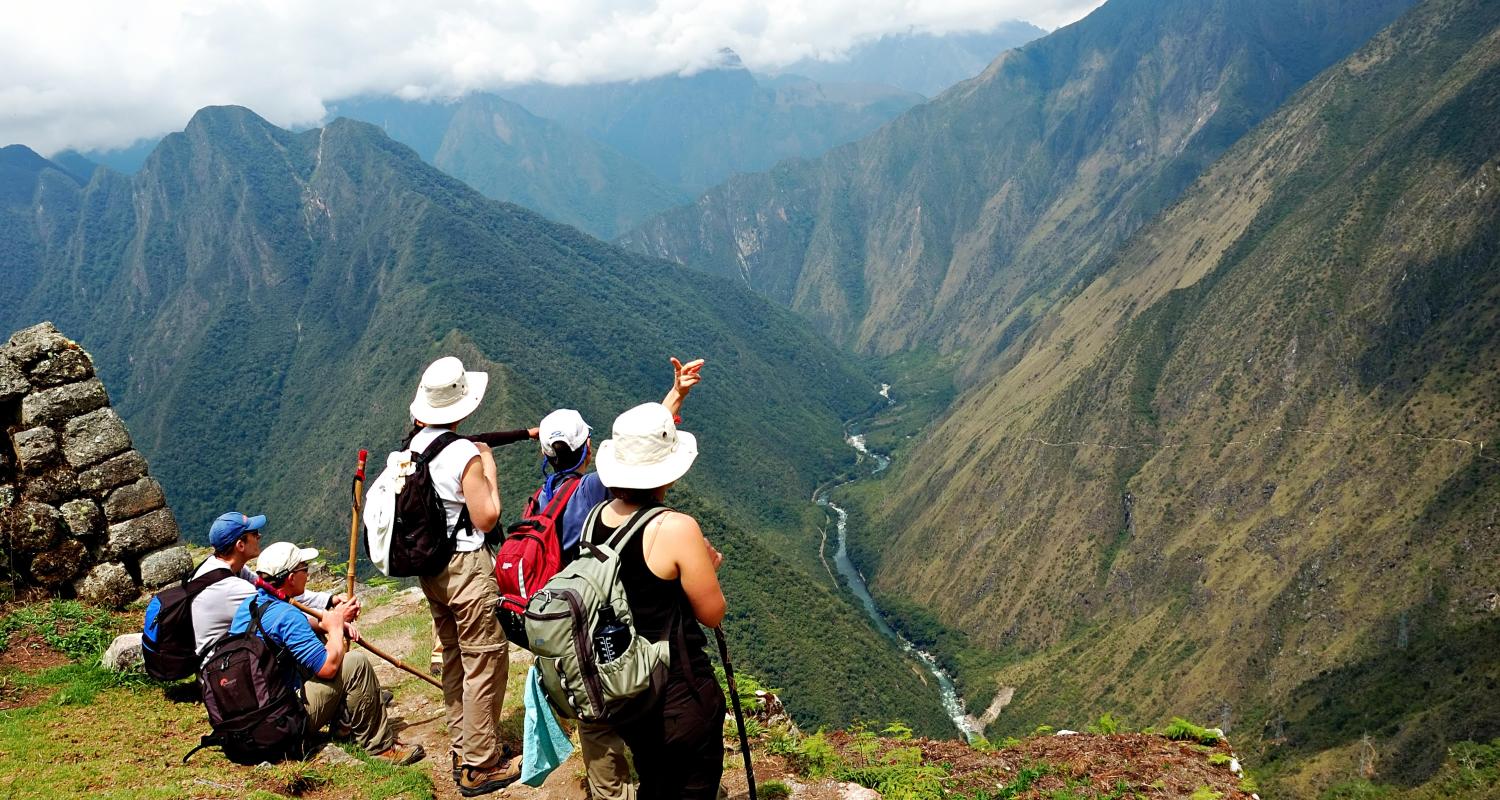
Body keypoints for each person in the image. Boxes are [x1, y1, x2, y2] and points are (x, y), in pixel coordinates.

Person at [530, 358, 703, 800]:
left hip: (568, 624)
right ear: (586, 452)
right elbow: (641, 467)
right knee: (616, 711)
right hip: (608, 624)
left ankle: (609, 791)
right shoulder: (591, 492)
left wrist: (674, 398)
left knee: (596, 722)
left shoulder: (544, 495)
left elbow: (637, 456)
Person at [588, 401, 728, 799]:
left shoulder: (594, 518)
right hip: (678, 693)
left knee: (653, 780)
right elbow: (712, 614)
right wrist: (708, 568)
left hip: (626, 694)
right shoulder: (675, 527)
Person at [405, 356, 516, 795]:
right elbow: (487, 517)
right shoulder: (464, 453)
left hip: (431, 570)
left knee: (454, 656)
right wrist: (488, 467)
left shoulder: (411, 448)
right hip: (466, 567)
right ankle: (480, 764)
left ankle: (463, 745)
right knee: (485, 660)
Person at [225, 541, 424, 765]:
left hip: (253, 720)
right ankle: (380, 749)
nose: (307, 574)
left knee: (318, 640)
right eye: (304, 569)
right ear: (290, 578)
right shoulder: (286, 616)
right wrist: (336, 628)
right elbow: (327, 668)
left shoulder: (250, 605)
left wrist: (324, 623)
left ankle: (343, 723)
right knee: (356, 664)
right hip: (281, 724)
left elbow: (291, 627)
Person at [191, 511, 355, 657]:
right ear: (240, 545)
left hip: (238, 649)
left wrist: (330, 600)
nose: (259, 537)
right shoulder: (230, 588)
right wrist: (333, 621)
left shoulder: (227, 567)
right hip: (227, 667)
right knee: (305, 633)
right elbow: (280, 612)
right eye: (254, 534)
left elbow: (275, 589)